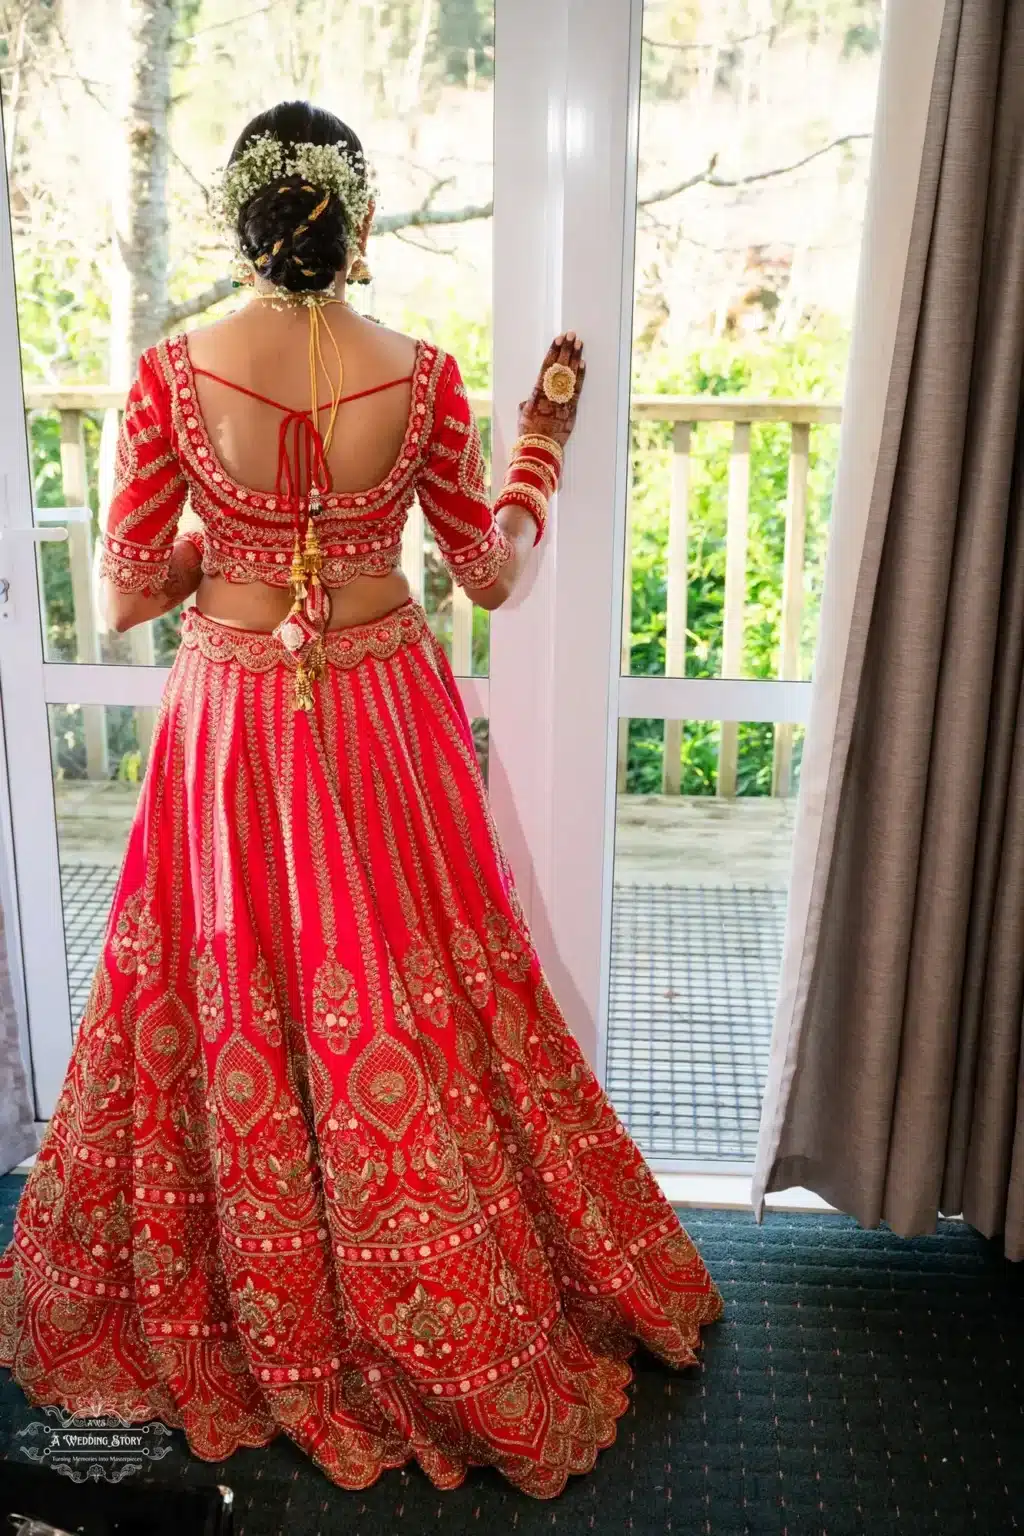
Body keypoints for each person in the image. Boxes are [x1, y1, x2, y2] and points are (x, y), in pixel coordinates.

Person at [0, 101, 721, 1499]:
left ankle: (265, 1293)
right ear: (362, 225)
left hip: (236, 712)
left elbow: (129, 590)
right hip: (381, 707)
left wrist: (226, 536)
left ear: (244, 223)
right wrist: (539, 460)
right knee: (410, 989)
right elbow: (493, 570)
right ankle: (435, 1285)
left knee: (238, 989)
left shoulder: (168, 377)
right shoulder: (429, 376)